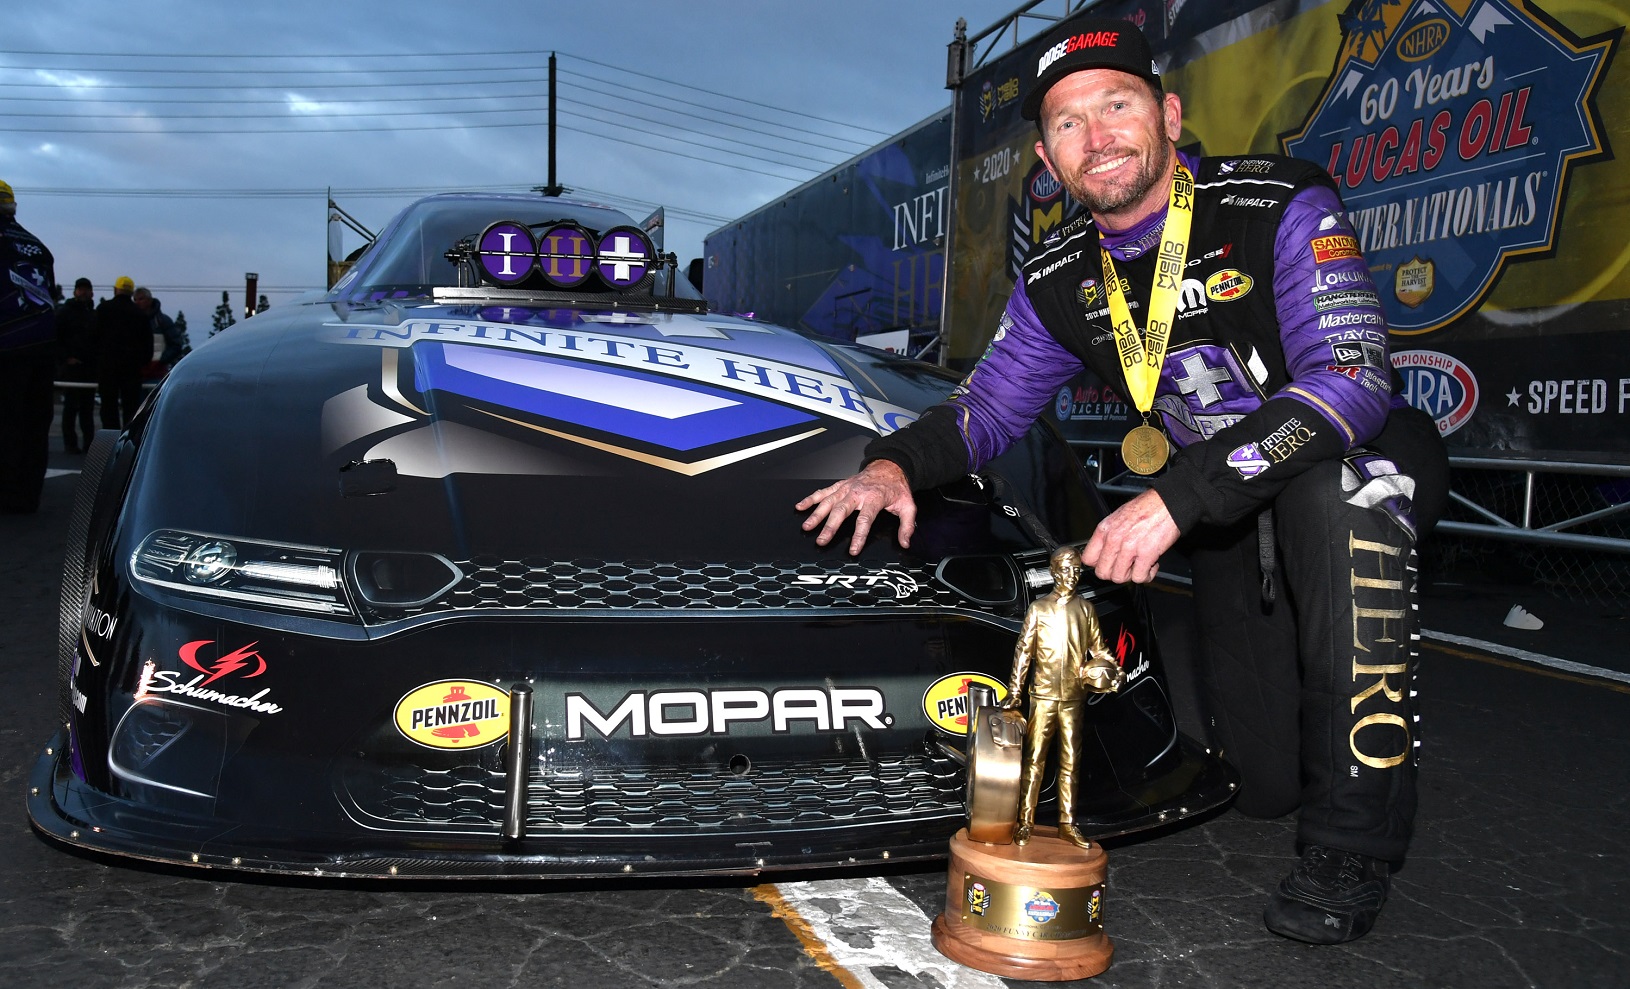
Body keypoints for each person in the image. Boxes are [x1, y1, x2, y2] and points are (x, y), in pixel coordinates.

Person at [797, 17, 1449, 944]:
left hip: (1343, 461)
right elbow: (984, 412)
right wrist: (893, 465)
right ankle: (1321, 741)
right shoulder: (1061, 273)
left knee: (1339, 496)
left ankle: (1357, 838)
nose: (1095, 135)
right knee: (1260, 785)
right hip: (1227, 510)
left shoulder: (1277, 201)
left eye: (1116, 105)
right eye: (1067, 122)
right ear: (1046, 156)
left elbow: (1353, 379)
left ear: (1168, 115)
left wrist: (1179, 497)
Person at [1003, 546, 1124, 849]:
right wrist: (1015, 693)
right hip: (1042, 696)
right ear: (1054, 572)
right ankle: (1025, 822)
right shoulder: (1039, 608)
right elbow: (1023, 653)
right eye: (1066, 569)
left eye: (1076, 570)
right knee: (1034, 761)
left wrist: (1115, 671)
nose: (1072, 575)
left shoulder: (1086, 609)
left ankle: (1067, 824)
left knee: (1071, 761)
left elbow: (1100, 650)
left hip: (1073, 697)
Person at [0, 179, 59, 513]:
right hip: (42, 346)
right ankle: (27, 496)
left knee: (6, 423)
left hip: (7, 345)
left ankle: (6, 493)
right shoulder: (37, 245)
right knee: (35, 424)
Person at [95, 275, 149, 429]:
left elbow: (93, 336)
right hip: (132, 369)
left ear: (115, 290)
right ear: (131, 293)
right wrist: (141, 363)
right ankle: (127, 442)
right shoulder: (139, 314)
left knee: (108, 406)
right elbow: (147, 345)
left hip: (107, 367)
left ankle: (109, 441)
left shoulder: (103, 309)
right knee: (131, 408)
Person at [56, 277, 100, 454]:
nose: (83, 292)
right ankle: (70, 443)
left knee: (87, 409)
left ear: (91, 292)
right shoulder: (65, 313)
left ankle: (89, 443)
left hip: (89, 368)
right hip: (72, 368)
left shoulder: (94, 315)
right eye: (80, 289)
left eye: (86, 289)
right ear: (75, 291)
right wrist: (66, 358)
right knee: (71, 407)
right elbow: (57, 338)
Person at [133, 285, 188, 369]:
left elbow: (176, 345)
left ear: (149, 300)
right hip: (136, 373)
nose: (137, 302)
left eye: (141, 299)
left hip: (157, 373)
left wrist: (160, 361)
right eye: (135, 300)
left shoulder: (162, 321)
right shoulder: (131, 321)